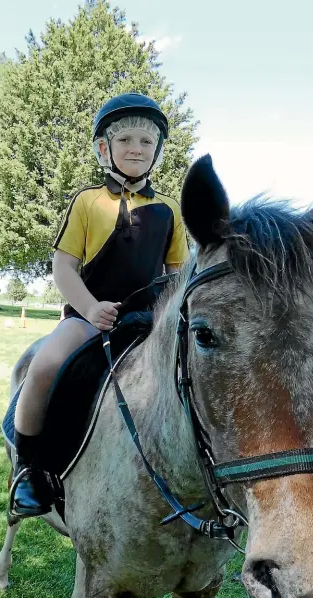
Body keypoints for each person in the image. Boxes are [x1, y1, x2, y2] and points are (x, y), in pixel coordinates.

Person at [12, 92, 189, 518]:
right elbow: (63, 268)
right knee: (46, 366)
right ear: (102, 148)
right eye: (126, 139)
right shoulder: (88, 202)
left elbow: (178, 276)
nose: (136, 148)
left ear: (158, 151)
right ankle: (30, 469)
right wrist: (90, 309)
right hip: (87, 319)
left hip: (147, 323)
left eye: (147, 142)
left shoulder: (170, 210)